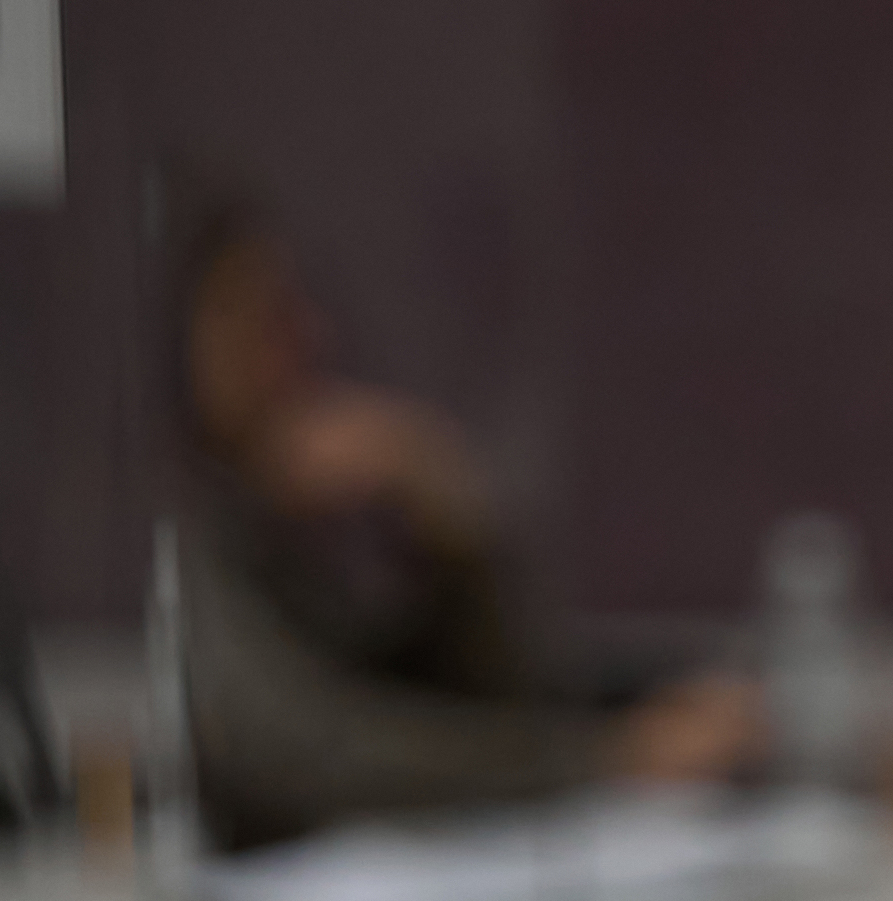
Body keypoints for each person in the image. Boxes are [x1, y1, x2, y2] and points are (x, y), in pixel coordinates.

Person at [161, 195, 759, 840]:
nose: (305, 338)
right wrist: (610, 759)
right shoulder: (173, 542)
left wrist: (448, 518)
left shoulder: (265, 540)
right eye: (260, 319)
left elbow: (481, 698)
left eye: (292, 310)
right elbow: (320, 757)